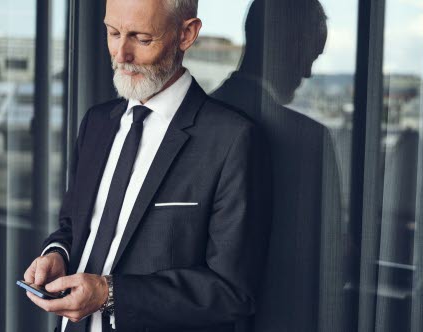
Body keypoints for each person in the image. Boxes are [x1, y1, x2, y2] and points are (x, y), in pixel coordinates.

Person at [23, 0, 271, 331]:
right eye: (113, 33)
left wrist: (109, 294)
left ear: (186, 34)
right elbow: (73, 224)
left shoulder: (232, 139)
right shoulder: (96, 123)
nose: (121, 54)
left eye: (141, 38)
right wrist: (57, 254)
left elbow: (231, 292)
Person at [212, 1, 351, 331]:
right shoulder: (308, 141)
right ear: (286, 42)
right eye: (311, 56)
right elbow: (327, 270)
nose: (308, 73)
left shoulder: (186, 122)